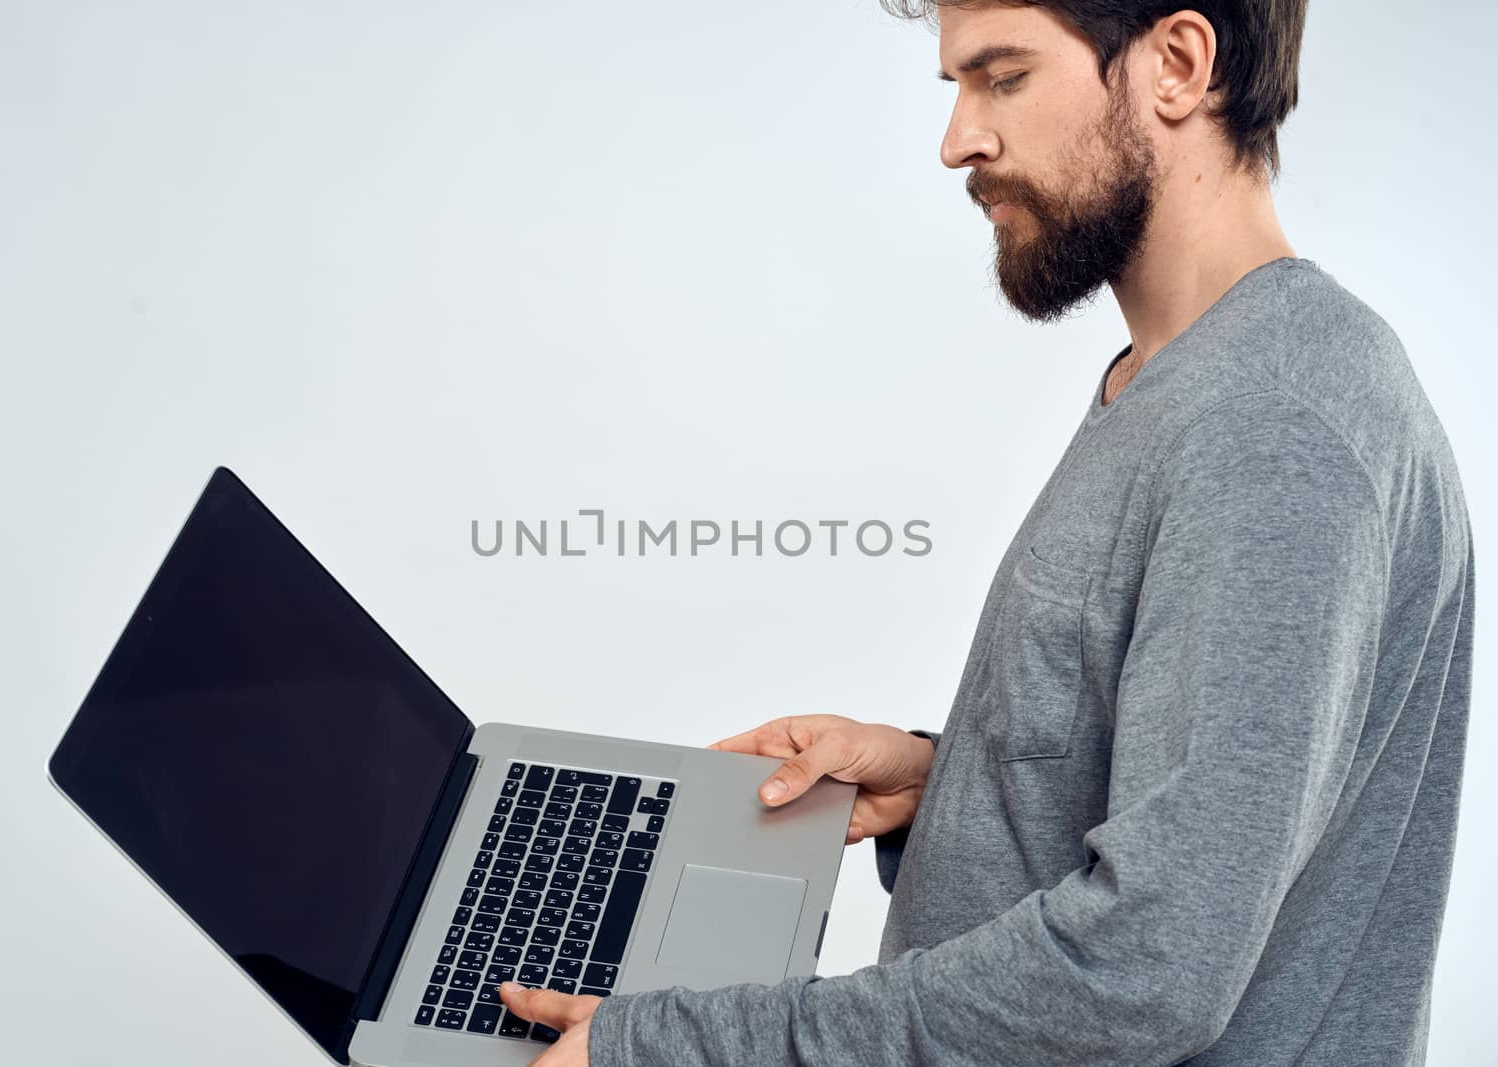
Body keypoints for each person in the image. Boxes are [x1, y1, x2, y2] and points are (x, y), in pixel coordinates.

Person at [498, 0, 1476, 1062]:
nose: (957, 139)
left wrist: (693, 1046)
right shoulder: (1181, 378)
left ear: (1177, 65)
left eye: (1001, 77)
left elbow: (1143, 973)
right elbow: (1208, 802)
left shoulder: (1270, 420)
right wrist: (947, 777)